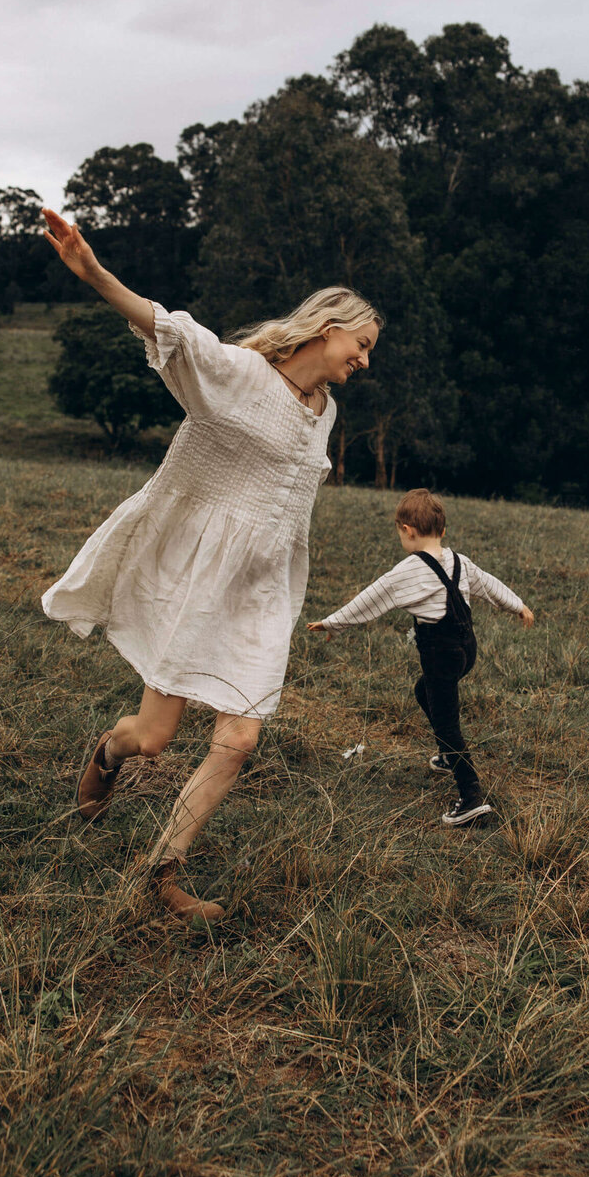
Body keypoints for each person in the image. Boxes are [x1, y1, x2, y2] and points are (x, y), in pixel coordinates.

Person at [40, 207, 381, 922]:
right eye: (363, 344)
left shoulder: (325, 413)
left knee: (239, 740)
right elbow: (168, 329)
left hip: (260, 595)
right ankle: (110, 751)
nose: (365, 360)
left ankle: (160, 873)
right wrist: (95, 272)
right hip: (199, 581)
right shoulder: (240, 375)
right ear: (329, 328)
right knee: (155, 739)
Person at [309, 487, 533, 825]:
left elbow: (372, 599)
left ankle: (471, 798)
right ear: (442, 531)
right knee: (422, 691)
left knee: (447, 722)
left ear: (406, 530)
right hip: (466, 651)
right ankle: (446, 755)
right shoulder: (460, 561)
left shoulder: (409, 570)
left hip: (441, 656)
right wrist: (518, 605)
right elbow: (490, 585)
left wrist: (333, 622)